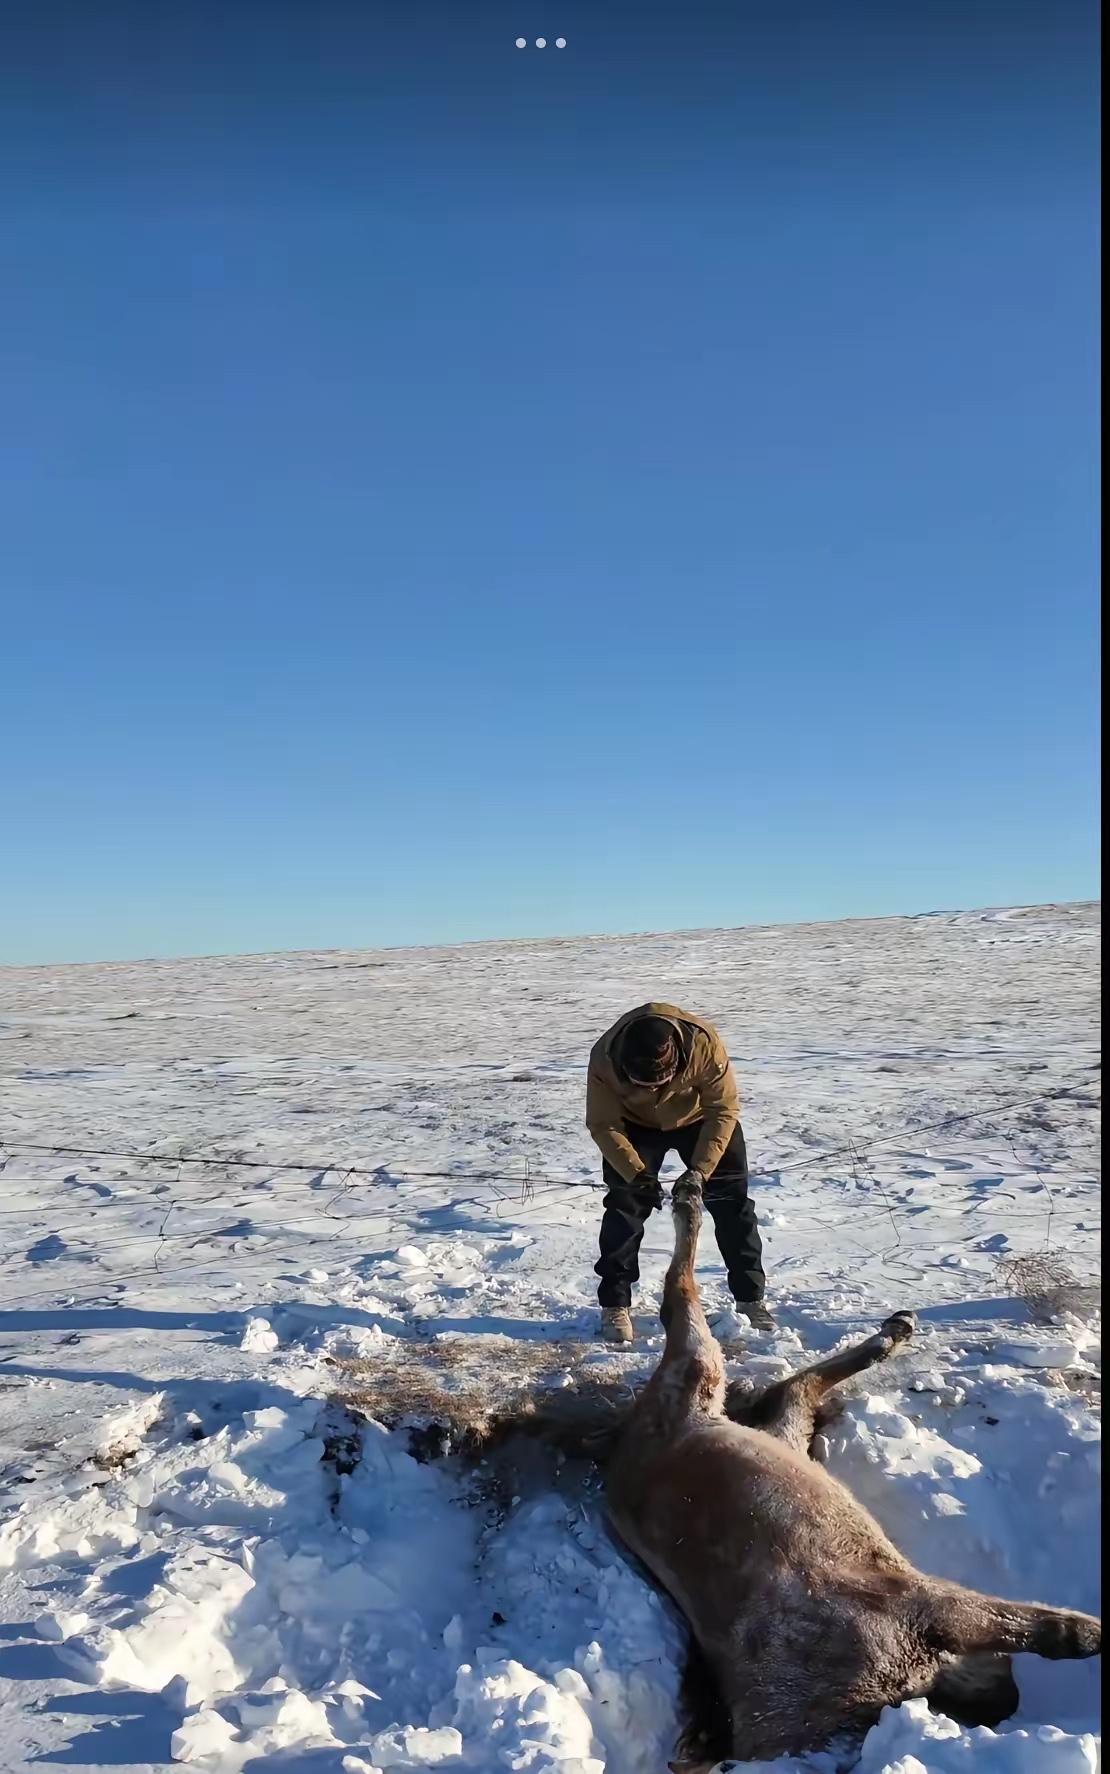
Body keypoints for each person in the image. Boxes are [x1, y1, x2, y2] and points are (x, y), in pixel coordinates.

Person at [586, 1002, 770, 1343]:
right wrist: (636, 1173)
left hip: (700, 1120)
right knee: (624, 1207)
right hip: (634, 1126)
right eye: (642, 1084)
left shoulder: (704, 1044)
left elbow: (723, 1109)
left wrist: (700, 1171)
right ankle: (615, 1304)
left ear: (676, 1061)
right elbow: (603, 1123)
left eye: (659, 1083)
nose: (653, 1092)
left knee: (732, 1204)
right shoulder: (604, 1058)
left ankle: (750, 1299)